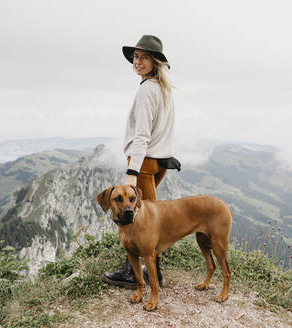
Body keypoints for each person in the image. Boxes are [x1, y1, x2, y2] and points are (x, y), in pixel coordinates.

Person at [102, 35, 180, 289]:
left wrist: (132, 171)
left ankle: (133, 272)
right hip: (157, 162)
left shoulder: (148, 89)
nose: (138, 61)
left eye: (144, 57)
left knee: (139, 221)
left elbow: (143, 135)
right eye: (135, 57)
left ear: (155, 61)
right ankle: (151, 271)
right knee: (148, 220)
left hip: (143, 162)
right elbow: (163, 130)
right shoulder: (161, 88)